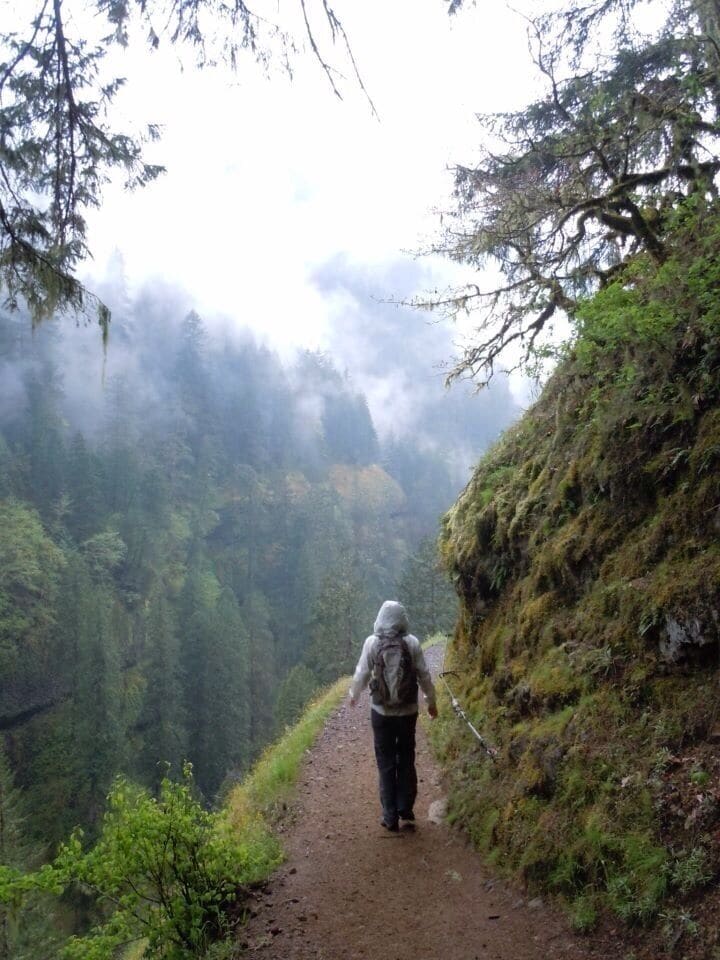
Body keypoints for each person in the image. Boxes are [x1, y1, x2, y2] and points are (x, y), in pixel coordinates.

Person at [349, 600, 438, 832]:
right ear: (402, 618)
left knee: (386, 762)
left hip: (381, 712)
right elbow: (424, 675)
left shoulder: (372, 642)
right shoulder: (412, 643)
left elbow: (362, 672)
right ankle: (405, 807)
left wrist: (354, 695)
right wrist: (431, 702)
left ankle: (389, 816)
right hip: (408, 712)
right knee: (406, 757)